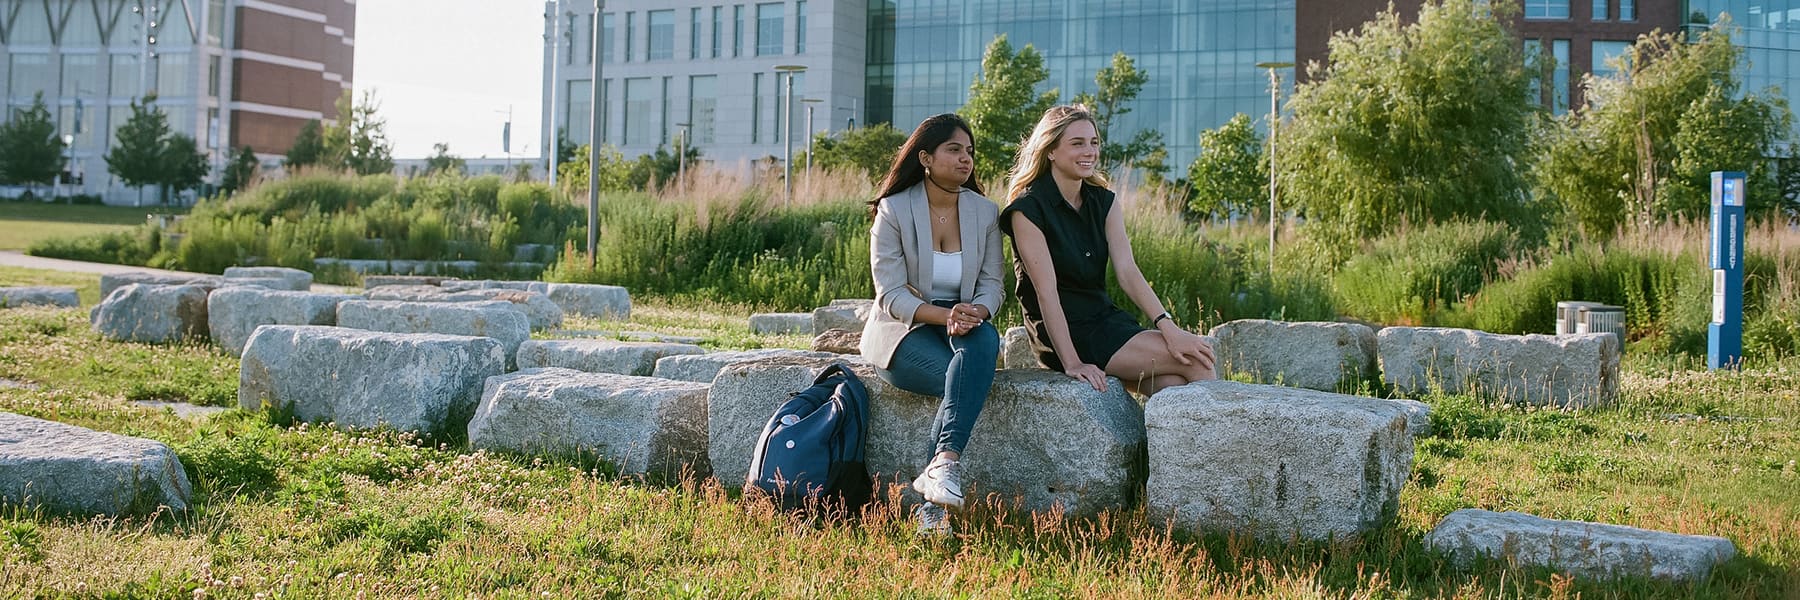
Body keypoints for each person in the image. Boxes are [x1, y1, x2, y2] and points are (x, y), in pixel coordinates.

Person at [1000, 104, 1216, 395]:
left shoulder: (1103, 202)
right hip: (1065, 332)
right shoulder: (1027, 210)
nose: (1089, 151)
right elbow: (1046, 293)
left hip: (1105, 320)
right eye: (1077, 143)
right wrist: (1073, 363)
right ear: (1050, 150)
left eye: (1094, 142)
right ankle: (1224, 441)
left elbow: (1127, 271)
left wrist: (1170, 328)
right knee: (1196, 360)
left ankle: (1167, 442)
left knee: (1172, 385)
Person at [859, 113, 1003, 534]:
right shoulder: (894, 209)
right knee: (961, 383)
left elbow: (993, 284)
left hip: (966, 323)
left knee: (981, 346)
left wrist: (978, 310)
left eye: (970, 151)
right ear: (925, 157)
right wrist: (945, 315)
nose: (966, 159)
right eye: (954, 150)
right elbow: (889, 293)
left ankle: (940, 475)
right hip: (904, 329)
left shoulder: (985, 211)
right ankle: (934, 502)